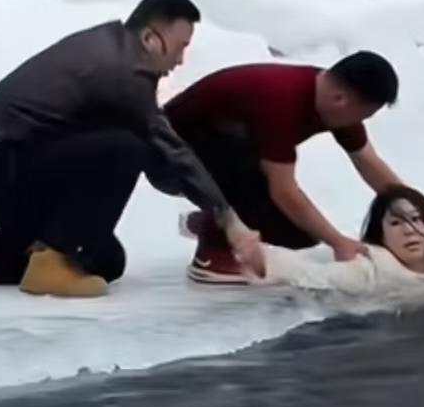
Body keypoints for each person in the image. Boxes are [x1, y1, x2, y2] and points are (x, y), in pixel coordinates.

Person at [0, 0, 262, 298]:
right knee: (125, 147)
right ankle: (50, 265)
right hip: (3, 176)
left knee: (105, 261)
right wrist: (228, 218)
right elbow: (166, 149)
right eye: (180, 47)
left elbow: (162, 163)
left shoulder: (114, 49)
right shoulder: (121, 73)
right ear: (152, 39)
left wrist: (208, 197)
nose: (181, 61)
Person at [165, 50, 410, 284]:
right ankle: (213, 252)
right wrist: (338, 242)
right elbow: (283, 190)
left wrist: (419, 213)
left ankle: (218, 219)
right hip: (169, 158)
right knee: (248, 167)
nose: (360, 123)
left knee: (297, 235)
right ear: (340, 100)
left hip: (216, 157)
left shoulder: (334, 96)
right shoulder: (281, 101)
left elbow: (368, 161)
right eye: (363, 116)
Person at [246, 184, 424, 297]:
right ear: (381, 235)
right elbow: (313, 274)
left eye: (417, 220)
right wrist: (254, 253)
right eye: (396, 223)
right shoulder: (371, 270)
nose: (410, 231)